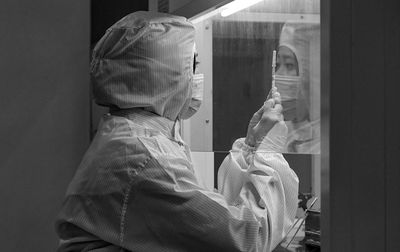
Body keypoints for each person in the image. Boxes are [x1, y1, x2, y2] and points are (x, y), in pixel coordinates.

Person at [55, 11, 299, 252]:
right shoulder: (142, 157)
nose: (195, 77)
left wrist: (252, 146)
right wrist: (268, 154)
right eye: (191, 65)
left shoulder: (134, 136)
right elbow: (247, 239)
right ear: (162, 75)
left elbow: (212, 220)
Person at [275, 22, 321, 154]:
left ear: (312, 74)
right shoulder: (280, 136)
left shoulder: (327, 143)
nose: (277, 75)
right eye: (278, 64)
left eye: (289, 65)